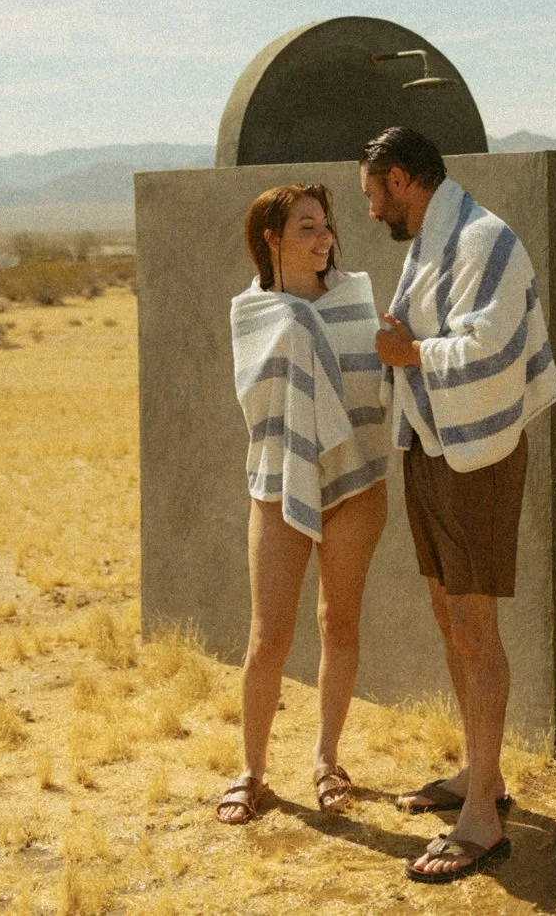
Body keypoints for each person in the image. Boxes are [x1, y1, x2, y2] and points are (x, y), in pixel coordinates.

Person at [360, 127, 556, 884]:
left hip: (477, 457)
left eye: (375, 192)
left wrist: (410, 354)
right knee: (450, 615)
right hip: (430, 445)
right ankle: (486, 776)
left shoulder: (486, 240)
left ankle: (482, 818)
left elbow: (492, 345)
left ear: (403, 180)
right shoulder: (430, 241)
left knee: (476, 627)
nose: (373, 208)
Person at [217, 183, 391, 824]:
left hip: (356, 482)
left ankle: (326, 760)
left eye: (326, 227)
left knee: (338, 625)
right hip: (278, 478)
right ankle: (252, 772)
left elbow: (378, 382)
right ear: (272, 238)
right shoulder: (253, 312)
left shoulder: (357, 298)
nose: (323, 240)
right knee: (269, 638)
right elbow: (255, 399)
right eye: (307, 229)